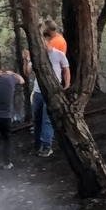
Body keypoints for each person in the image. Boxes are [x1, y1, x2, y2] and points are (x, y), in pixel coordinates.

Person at [26, 27, 71, 158]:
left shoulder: (58, 54)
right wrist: (27, 60)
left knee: (47, 119)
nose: (43, 44)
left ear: (48, 41)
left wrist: (66, 85)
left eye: (44, 41)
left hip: (53, 91)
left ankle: (47, 146)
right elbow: (27, 73)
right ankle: (38, 144)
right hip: (37, 91)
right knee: (37, 118)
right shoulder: (36, 56)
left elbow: (66, 69)